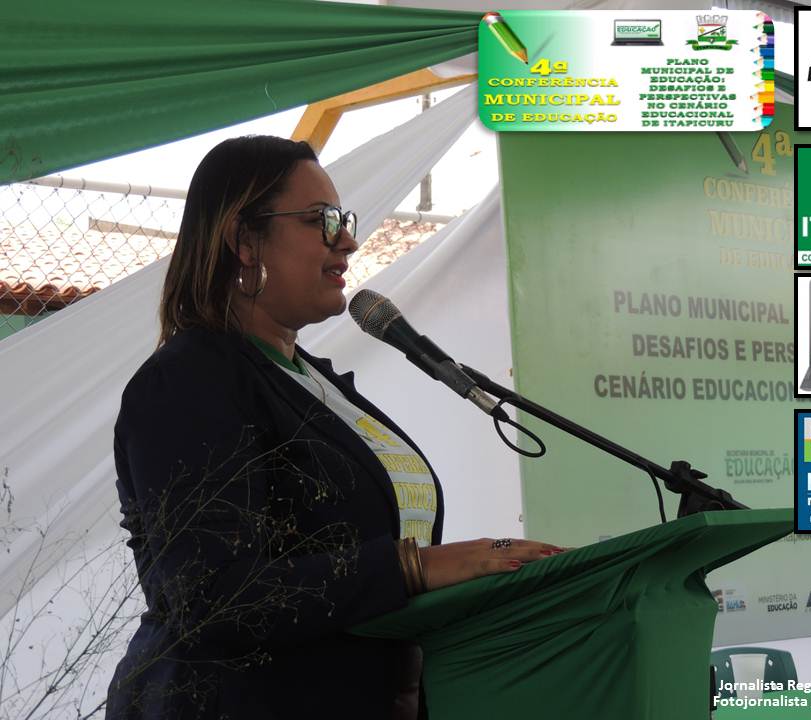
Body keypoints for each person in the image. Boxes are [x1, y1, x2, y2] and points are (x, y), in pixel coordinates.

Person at [105, 135, 562, 720]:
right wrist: (416, 566)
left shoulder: (313, 382)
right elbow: (214, 597)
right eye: (321, 220)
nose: (347, 240)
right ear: (244, 241)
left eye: (343, 220)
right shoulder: (188, 381)